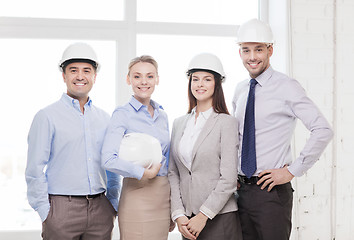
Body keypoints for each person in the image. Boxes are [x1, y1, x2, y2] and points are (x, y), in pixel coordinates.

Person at [232, 18, 333, 240]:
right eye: (246, 50)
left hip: (270, 192)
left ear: (270, 50)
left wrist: (292, 170)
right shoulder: (240, 91)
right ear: (239, 53)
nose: (252, 57)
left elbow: (322, 129)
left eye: (258, 50)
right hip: (241, 191)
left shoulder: (286, 86)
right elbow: (237, 138)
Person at [25, 42, 120, 240]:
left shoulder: (105, 118)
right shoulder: (47, 116)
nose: (80, 76)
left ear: (94, 76)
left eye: (86, 70)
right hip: (61, 210)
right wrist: (46, 213)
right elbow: (34, 169)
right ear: (64, 76)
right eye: (73, 70)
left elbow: (112, 167)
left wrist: (112, 201)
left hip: (101, 209)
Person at [168, 53, 243, 240]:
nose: (200, 84)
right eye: (195, 79)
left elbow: (228, 178)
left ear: (217, 84)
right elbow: (173, 173)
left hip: (219, 218)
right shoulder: (179, 123)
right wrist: (178, 214)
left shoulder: (226, 123)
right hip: (187, 221)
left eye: (207, 79)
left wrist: (203, 215)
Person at [101, 55, 175, 240]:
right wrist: (143, 173)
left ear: (157, 79)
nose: (144, 81)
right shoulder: (122, 114)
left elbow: (168, 160)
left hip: (164, 196)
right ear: (128, 79)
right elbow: (108, 159)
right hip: (137, 195)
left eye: (150, 76)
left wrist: (174, 205)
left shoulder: (162, 115)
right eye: (137, 76)